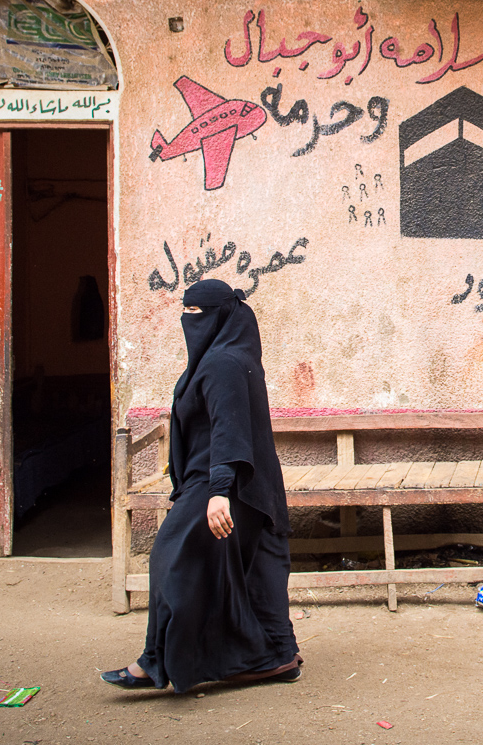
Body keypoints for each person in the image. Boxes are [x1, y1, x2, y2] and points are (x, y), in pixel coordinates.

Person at [101, 278, 300, 692]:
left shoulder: (223, 364)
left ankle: (156, 659)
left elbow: (229, 431)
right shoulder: (232, 355)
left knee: (170, 557)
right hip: (239, 484)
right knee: (253, 568)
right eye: (186, 311)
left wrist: (218, 493)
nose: (187, 319)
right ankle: (278, 655)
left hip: (220, 483)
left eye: (196, 313)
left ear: (219, 316)